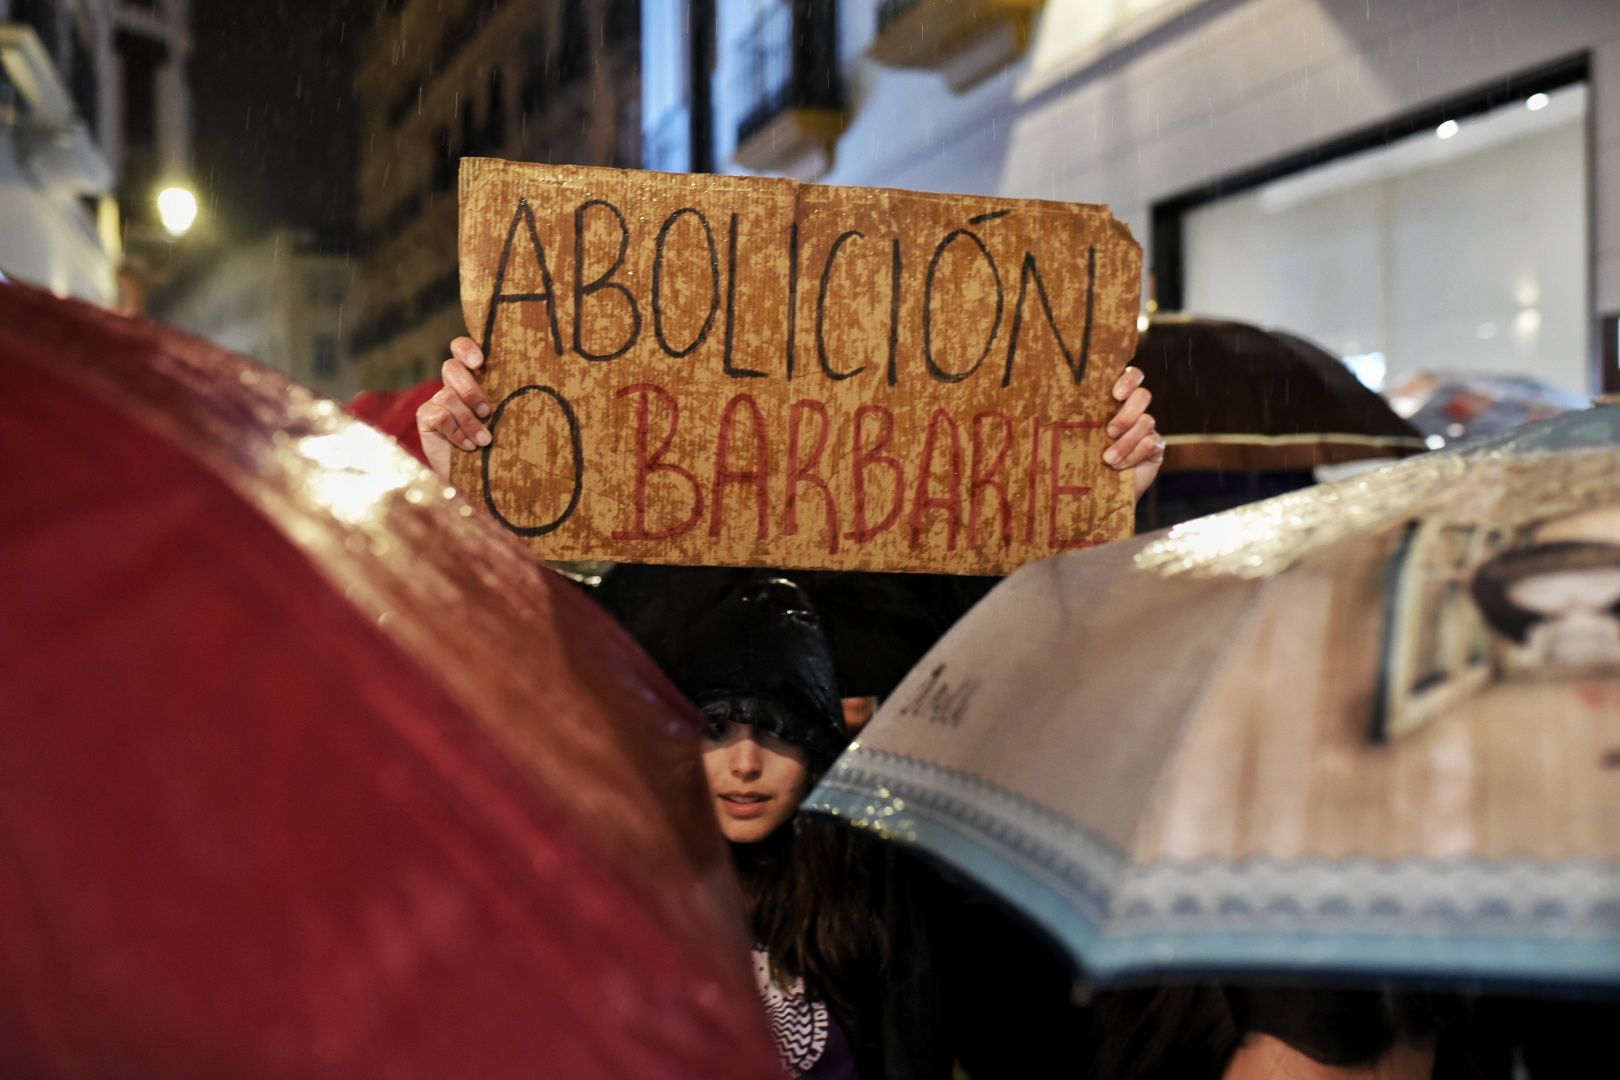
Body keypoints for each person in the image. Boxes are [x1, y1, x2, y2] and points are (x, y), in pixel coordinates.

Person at [416, 336, 1168, 499]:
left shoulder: (913, 551)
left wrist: (1096, 496)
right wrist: (475, 490)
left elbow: (1010, 643)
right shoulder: (654, 563)